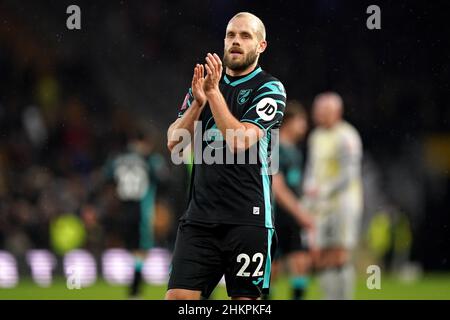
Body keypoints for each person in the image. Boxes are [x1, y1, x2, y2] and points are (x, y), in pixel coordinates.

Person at [166, 12, 286, 300]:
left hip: (248, 220)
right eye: (231, 35)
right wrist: (197, 104)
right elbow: (174, 143)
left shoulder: (269, 88)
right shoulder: (205, 87)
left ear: (261, 46)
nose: (236, 41)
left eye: (245, 36)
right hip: (199, 219)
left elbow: (241, 139)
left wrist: (213, 94)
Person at [302, 92, 363, 300]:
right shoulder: (316, 136)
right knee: (321, 255)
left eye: (323, 111)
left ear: (336, 112)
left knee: (339, 254)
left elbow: (350, 174)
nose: (317, 115)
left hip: (342, 205)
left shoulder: (347, 136)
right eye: (317, 111)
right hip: (320, 206)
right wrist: (309, 190)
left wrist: (325, 190)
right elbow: (312, 169)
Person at [103, 130, 168, 298]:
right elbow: (164, 179)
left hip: (122, 210)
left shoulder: (117, 157)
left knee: (132, 249)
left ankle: (134, 287)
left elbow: (107, 178)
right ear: (145, 142)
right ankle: (135, 288)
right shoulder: (150, 159)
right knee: (141, 250)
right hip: (141, 210)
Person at [270, 100, 314, 300]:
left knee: (301, 262)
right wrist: (300, 213)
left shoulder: (296, 152)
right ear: (289, 121)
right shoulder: (276, 148)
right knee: (272, 269)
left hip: (293, 216)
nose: (304, 125)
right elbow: (277, 187)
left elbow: (293, 184)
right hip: (277, 215)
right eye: (301, 120)